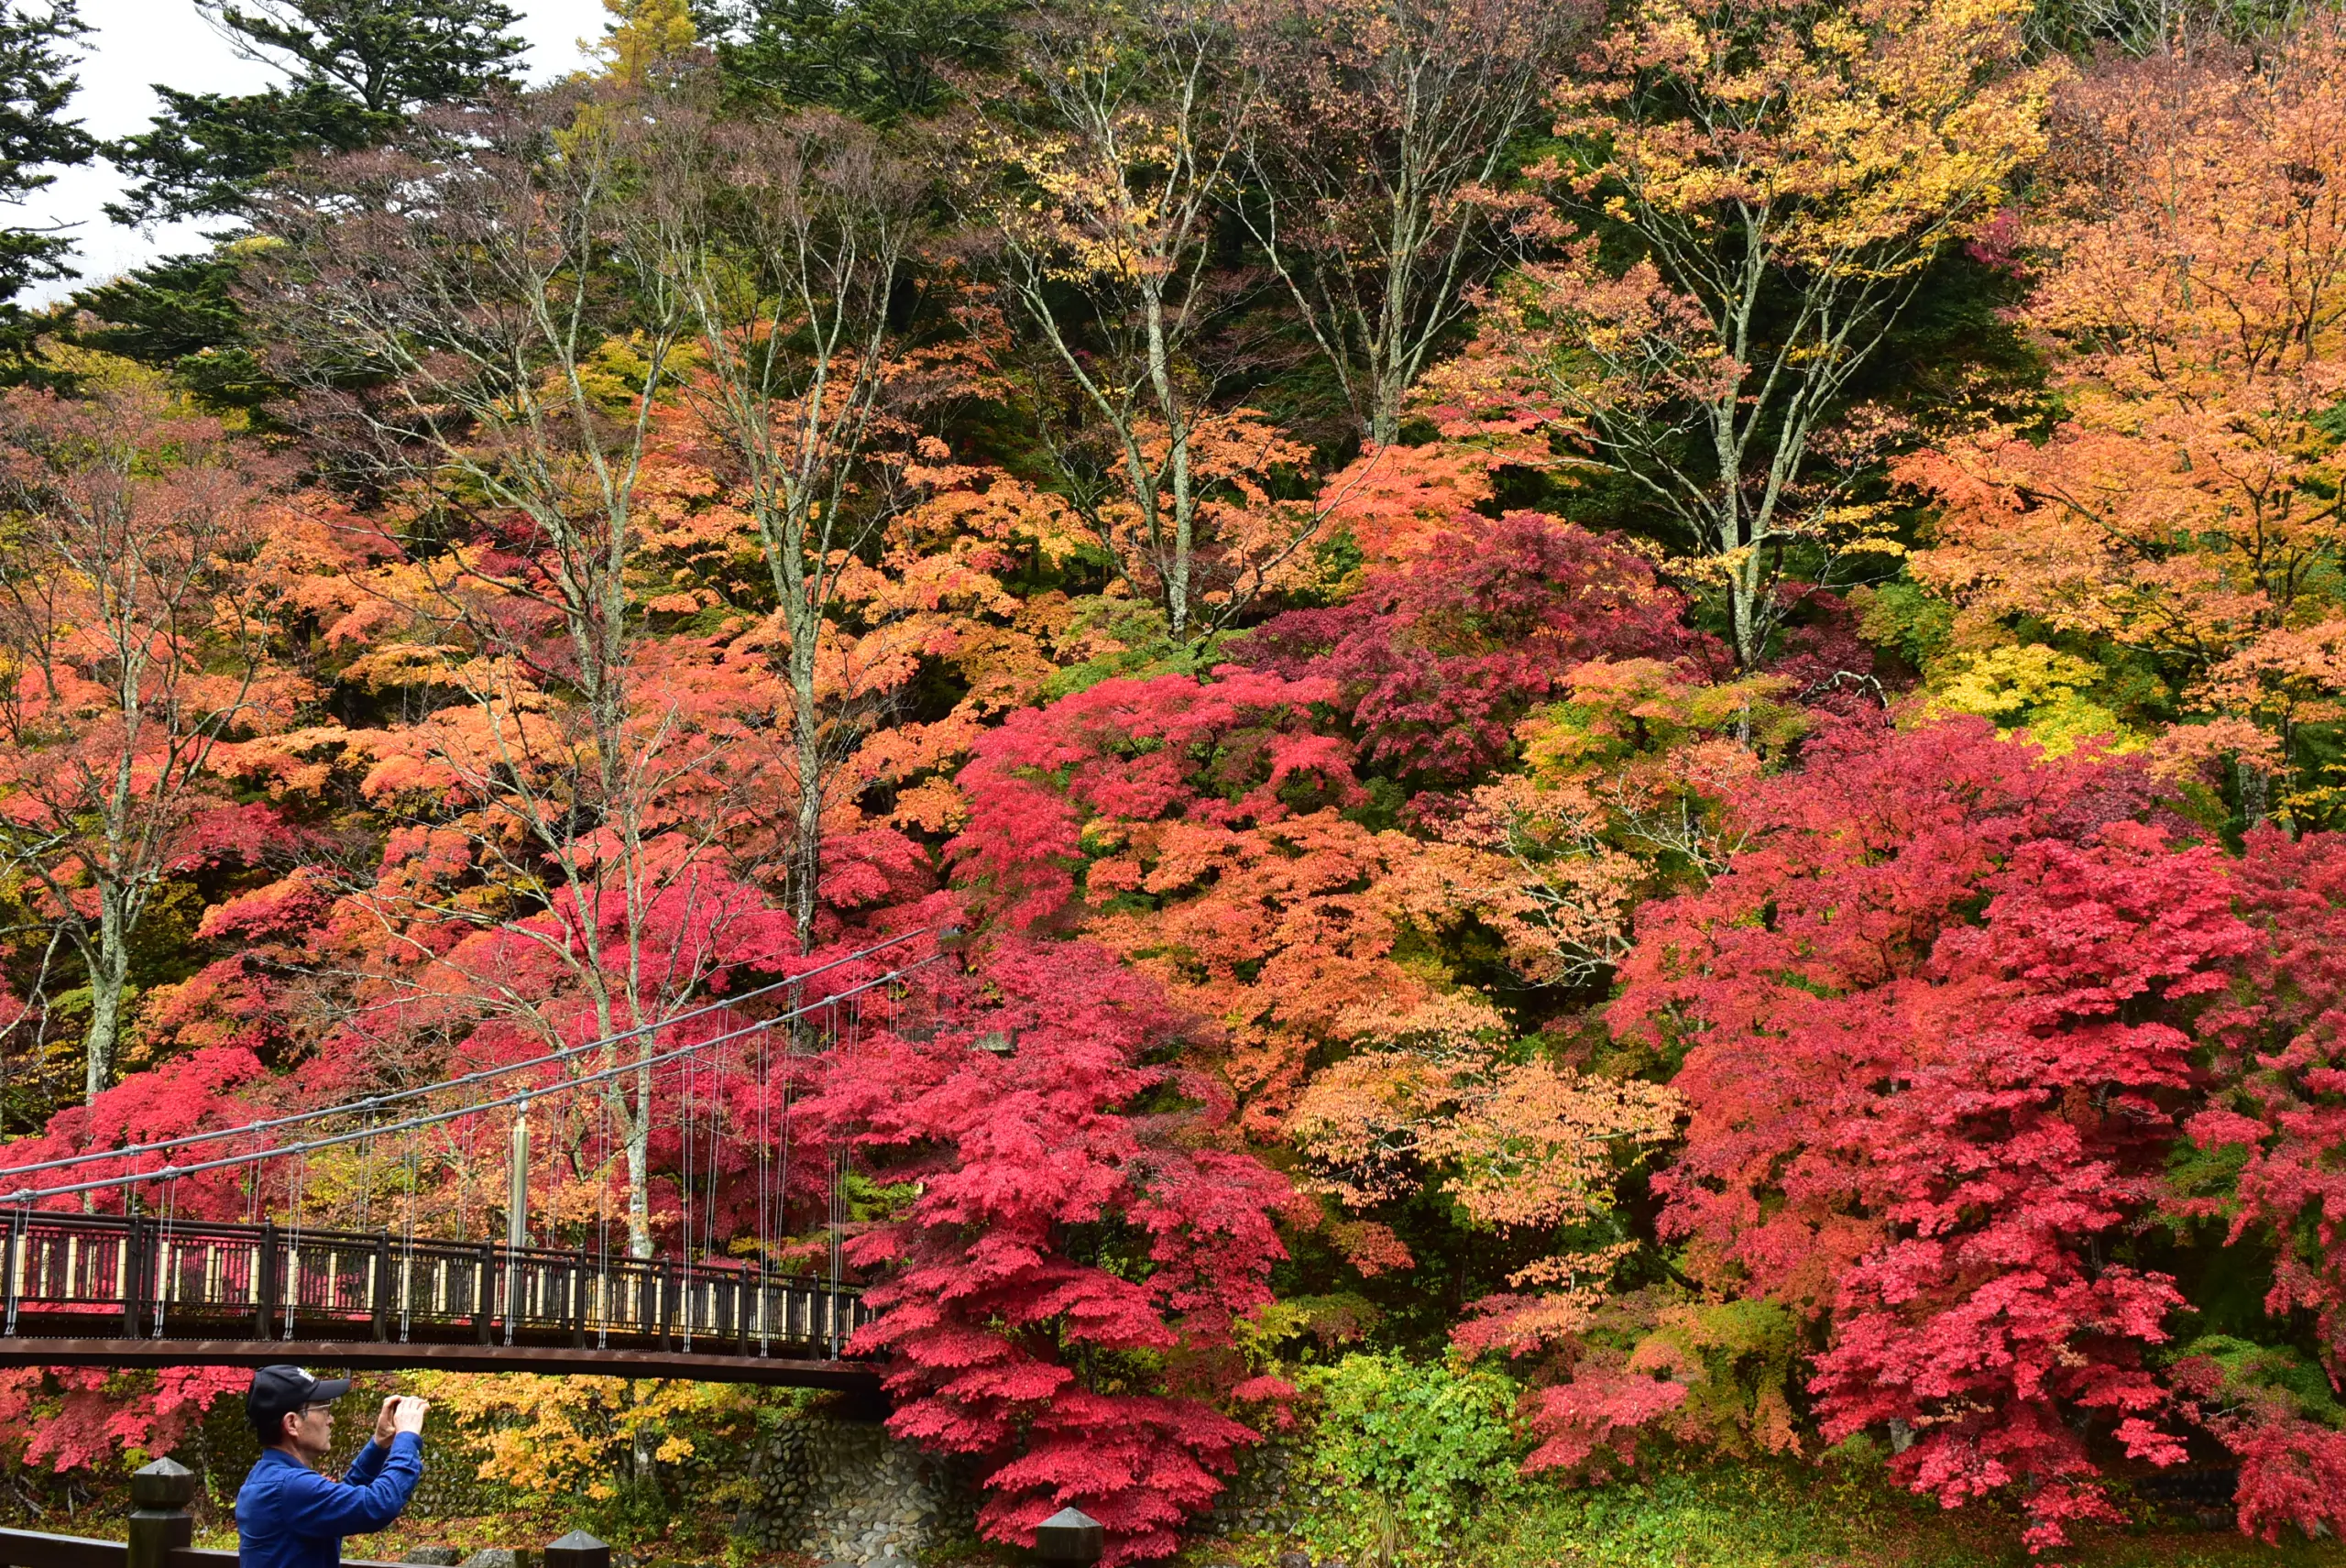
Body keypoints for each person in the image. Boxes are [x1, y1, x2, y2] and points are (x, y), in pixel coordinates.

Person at [236, 1365, 428, 1568]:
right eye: (323, 1409)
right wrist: (407, 1437)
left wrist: (379, 1445)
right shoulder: (289, 1487)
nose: (331, 1419)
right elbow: (378, 1505)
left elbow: (345, 1499)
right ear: (292, 1423)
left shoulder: (271, 1478)